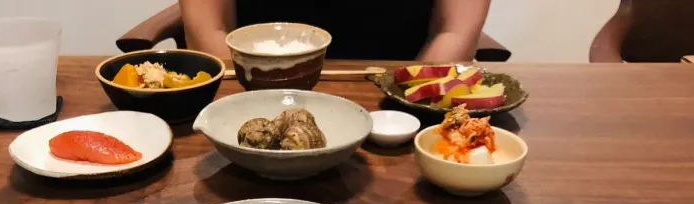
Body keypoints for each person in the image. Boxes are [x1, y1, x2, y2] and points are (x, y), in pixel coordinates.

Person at [179, 0, 491, 62]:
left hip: (398, 103)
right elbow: (209, 30)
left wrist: (408, 107)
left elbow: (455, 32)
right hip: (254, 91)